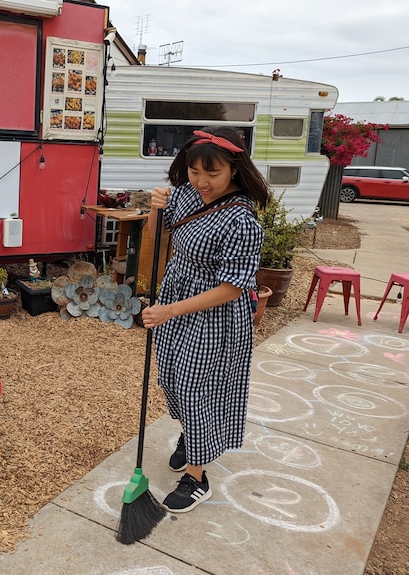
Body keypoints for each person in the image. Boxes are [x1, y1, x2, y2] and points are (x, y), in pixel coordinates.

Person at [141, 126, 270, 513]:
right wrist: (155, 207)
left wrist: (169, 310)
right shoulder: (185, 194)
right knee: (171, 378)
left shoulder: (242, 222)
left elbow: (234, 287)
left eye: (212, 174)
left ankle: (197, 477)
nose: (202, 181)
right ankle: (193, 434)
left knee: (198, 387)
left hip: (214, 316)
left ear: (234, 168)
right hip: (175, 300)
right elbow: (156, 234)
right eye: (195, 172)